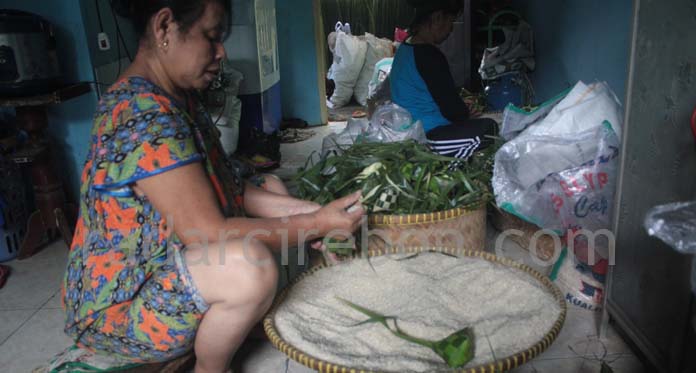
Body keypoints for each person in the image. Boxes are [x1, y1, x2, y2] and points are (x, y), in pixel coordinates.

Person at [61, 1, 364, 372]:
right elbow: (207, 234)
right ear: (164, 27)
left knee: (269, 184)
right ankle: (210, 367)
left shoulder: (179, 98)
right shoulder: (142, 114)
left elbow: (234, 189)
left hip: (167, 268)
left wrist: (319, 215)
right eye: (211, 37)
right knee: (250, 267)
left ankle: (240, 316)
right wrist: (314, 226)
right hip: (120, 309)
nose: (221, 52)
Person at [390, 0, 497, 160]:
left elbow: (438, 95)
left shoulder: (405, 47)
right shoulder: (429, 55)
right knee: (489, 128)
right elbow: (452, 111)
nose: (451, 29)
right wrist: (465, 113)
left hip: (409, 128)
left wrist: (460, 108)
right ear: (437, 18)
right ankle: (446, 163)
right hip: (428, 136)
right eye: (451, 22)